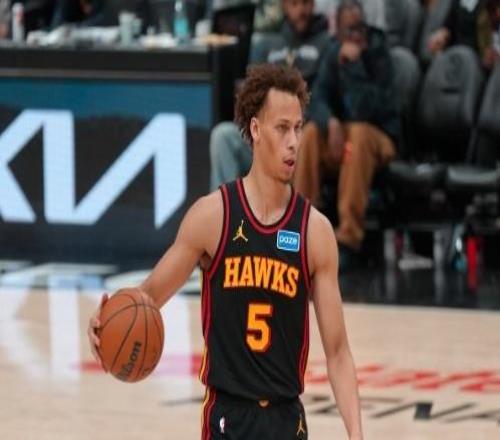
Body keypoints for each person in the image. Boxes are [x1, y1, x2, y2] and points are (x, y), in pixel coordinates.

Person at [88, 64, 363, 440]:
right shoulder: (212, 217)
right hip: (226, 418)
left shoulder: (314, 231)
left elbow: (338, 352)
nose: (294, 142)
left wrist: (356, 433)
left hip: (286, 419)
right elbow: (148, 297)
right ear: (255, 129)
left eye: (298, 128)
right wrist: (104, 321)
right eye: (282, 128)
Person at [292, 0, 399, 269]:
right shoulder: (332, 52)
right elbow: (315, 98)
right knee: (311, 133)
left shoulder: (378, 53)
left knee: (359, 135)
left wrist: (353, 66)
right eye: (349, 29)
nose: (356, 35)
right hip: (343, 137)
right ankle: (300, 231)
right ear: (337, 32)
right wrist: (330, 122)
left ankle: (349, 239)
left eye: (359, 27)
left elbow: (367, 110)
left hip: (380, 136)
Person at [210, 0, 330, 190]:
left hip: (302, 134)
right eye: (295, 3)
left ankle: (295, 208)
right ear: (284, 5)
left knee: (307, 135)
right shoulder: (266, 43)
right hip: (267, 133)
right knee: (223, 136)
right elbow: (251, 95)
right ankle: (226, 207)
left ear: (314, 5)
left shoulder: (326, 43)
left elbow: (324, 94)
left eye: (306, 3)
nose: (301, 9)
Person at [427, 0, 500, 69]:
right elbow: (448, 25)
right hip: (453, 53)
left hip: (475, 60)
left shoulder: (489, 5)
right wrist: (440, 35)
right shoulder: (457, 2)